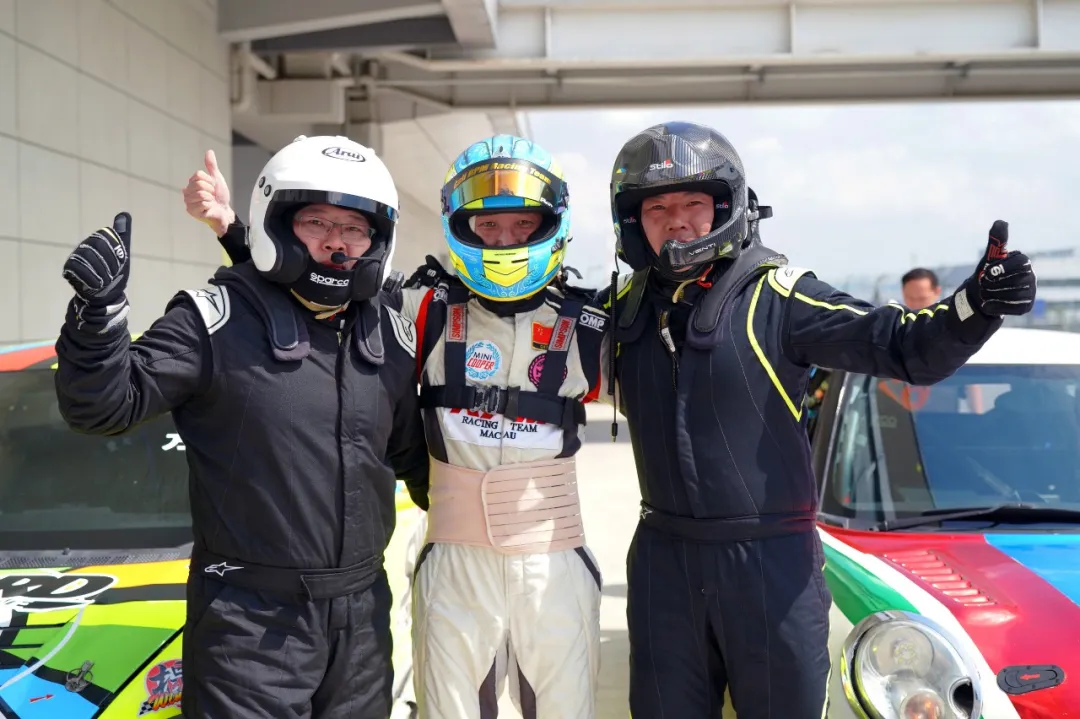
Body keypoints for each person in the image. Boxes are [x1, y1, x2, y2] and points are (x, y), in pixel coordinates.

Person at [600, 121, 1037, 718]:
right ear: (633, 220)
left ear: (725, 207)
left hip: (770, 564)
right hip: (663, 562)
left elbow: (902, 345)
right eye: (657, 207)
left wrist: (976, 306)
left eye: (693, 203)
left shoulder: (779, 298)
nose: (675, 220)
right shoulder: (616, 311)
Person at [189, 134, 610, 719]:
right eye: (487, 225)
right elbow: (314, 280)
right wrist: (236, 233)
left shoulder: (593, 324)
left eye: (522, 225)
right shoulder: (420, 306)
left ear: (552, 225)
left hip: (554, 563)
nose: (504, 240)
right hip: (454, 563)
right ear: (460, 227)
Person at [57, 135, 429, 719]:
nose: (336, 241)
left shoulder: (390, 334)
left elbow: (419, 462)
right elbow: (104, 407)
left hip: (361, 621)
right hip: (250, 626)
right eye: (315, 221)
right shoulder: (214, 320)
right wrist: (97, 318)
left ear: (377, 240)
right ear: (278, 222)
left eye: (355, 228)